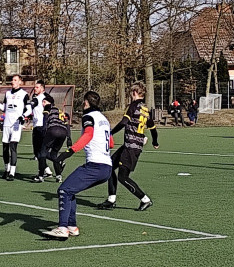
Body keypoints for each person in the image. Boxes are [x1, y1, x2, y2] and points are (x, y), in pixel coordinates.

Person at [41, 90, 113, 240]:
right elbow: (111, 143)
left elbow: (88, 134)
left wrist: (68, 152)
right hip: (107, 167)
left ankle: (62, 228)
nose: (82, 104)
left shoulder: (89, 116)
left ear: (86, 103)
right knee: (70, 190)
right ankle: (72, 226)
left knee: (63, 190)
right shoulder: (104, 119)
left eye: (83, 102)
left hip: (96, 165)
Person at [100, 81, 159, 211]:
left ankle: (145, 199)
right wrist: (155, 142)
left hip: (131, 147)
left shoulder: (133, 105)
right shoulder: (145, 109)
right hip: (132, 146)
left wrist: (111, 133)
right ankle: (111, 200)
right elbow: (153, 128)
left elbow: (124, 122)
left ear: (134, 93)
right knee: (109, 166)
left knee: (122, 177)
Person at [0, 73, 32, 180]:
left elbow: (29, 109)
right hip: (6, 124)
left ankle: (12, 173)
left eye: (15, 80)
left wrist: (23, 116)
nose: (12, 82)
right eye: (12, 80)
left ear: (20, 82)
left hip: (16, 125)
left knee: (13, 147)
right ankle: (6, 169)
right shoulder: (8, 93)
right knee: (5, 148)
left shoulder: (24, 94)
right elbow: (4, 108)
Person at [29, 81, 55, 183]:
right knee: (37, 152)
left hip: (42, 127)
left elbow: (50, 106)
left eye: (37, 87)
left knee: (41, 152)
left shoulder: (45, 98)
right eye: (34, 87)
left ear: (42, 88)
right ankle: (47, 170)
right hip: (36, 126)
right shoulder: (35, 98)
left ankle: (42, 174)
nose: (35, 89)